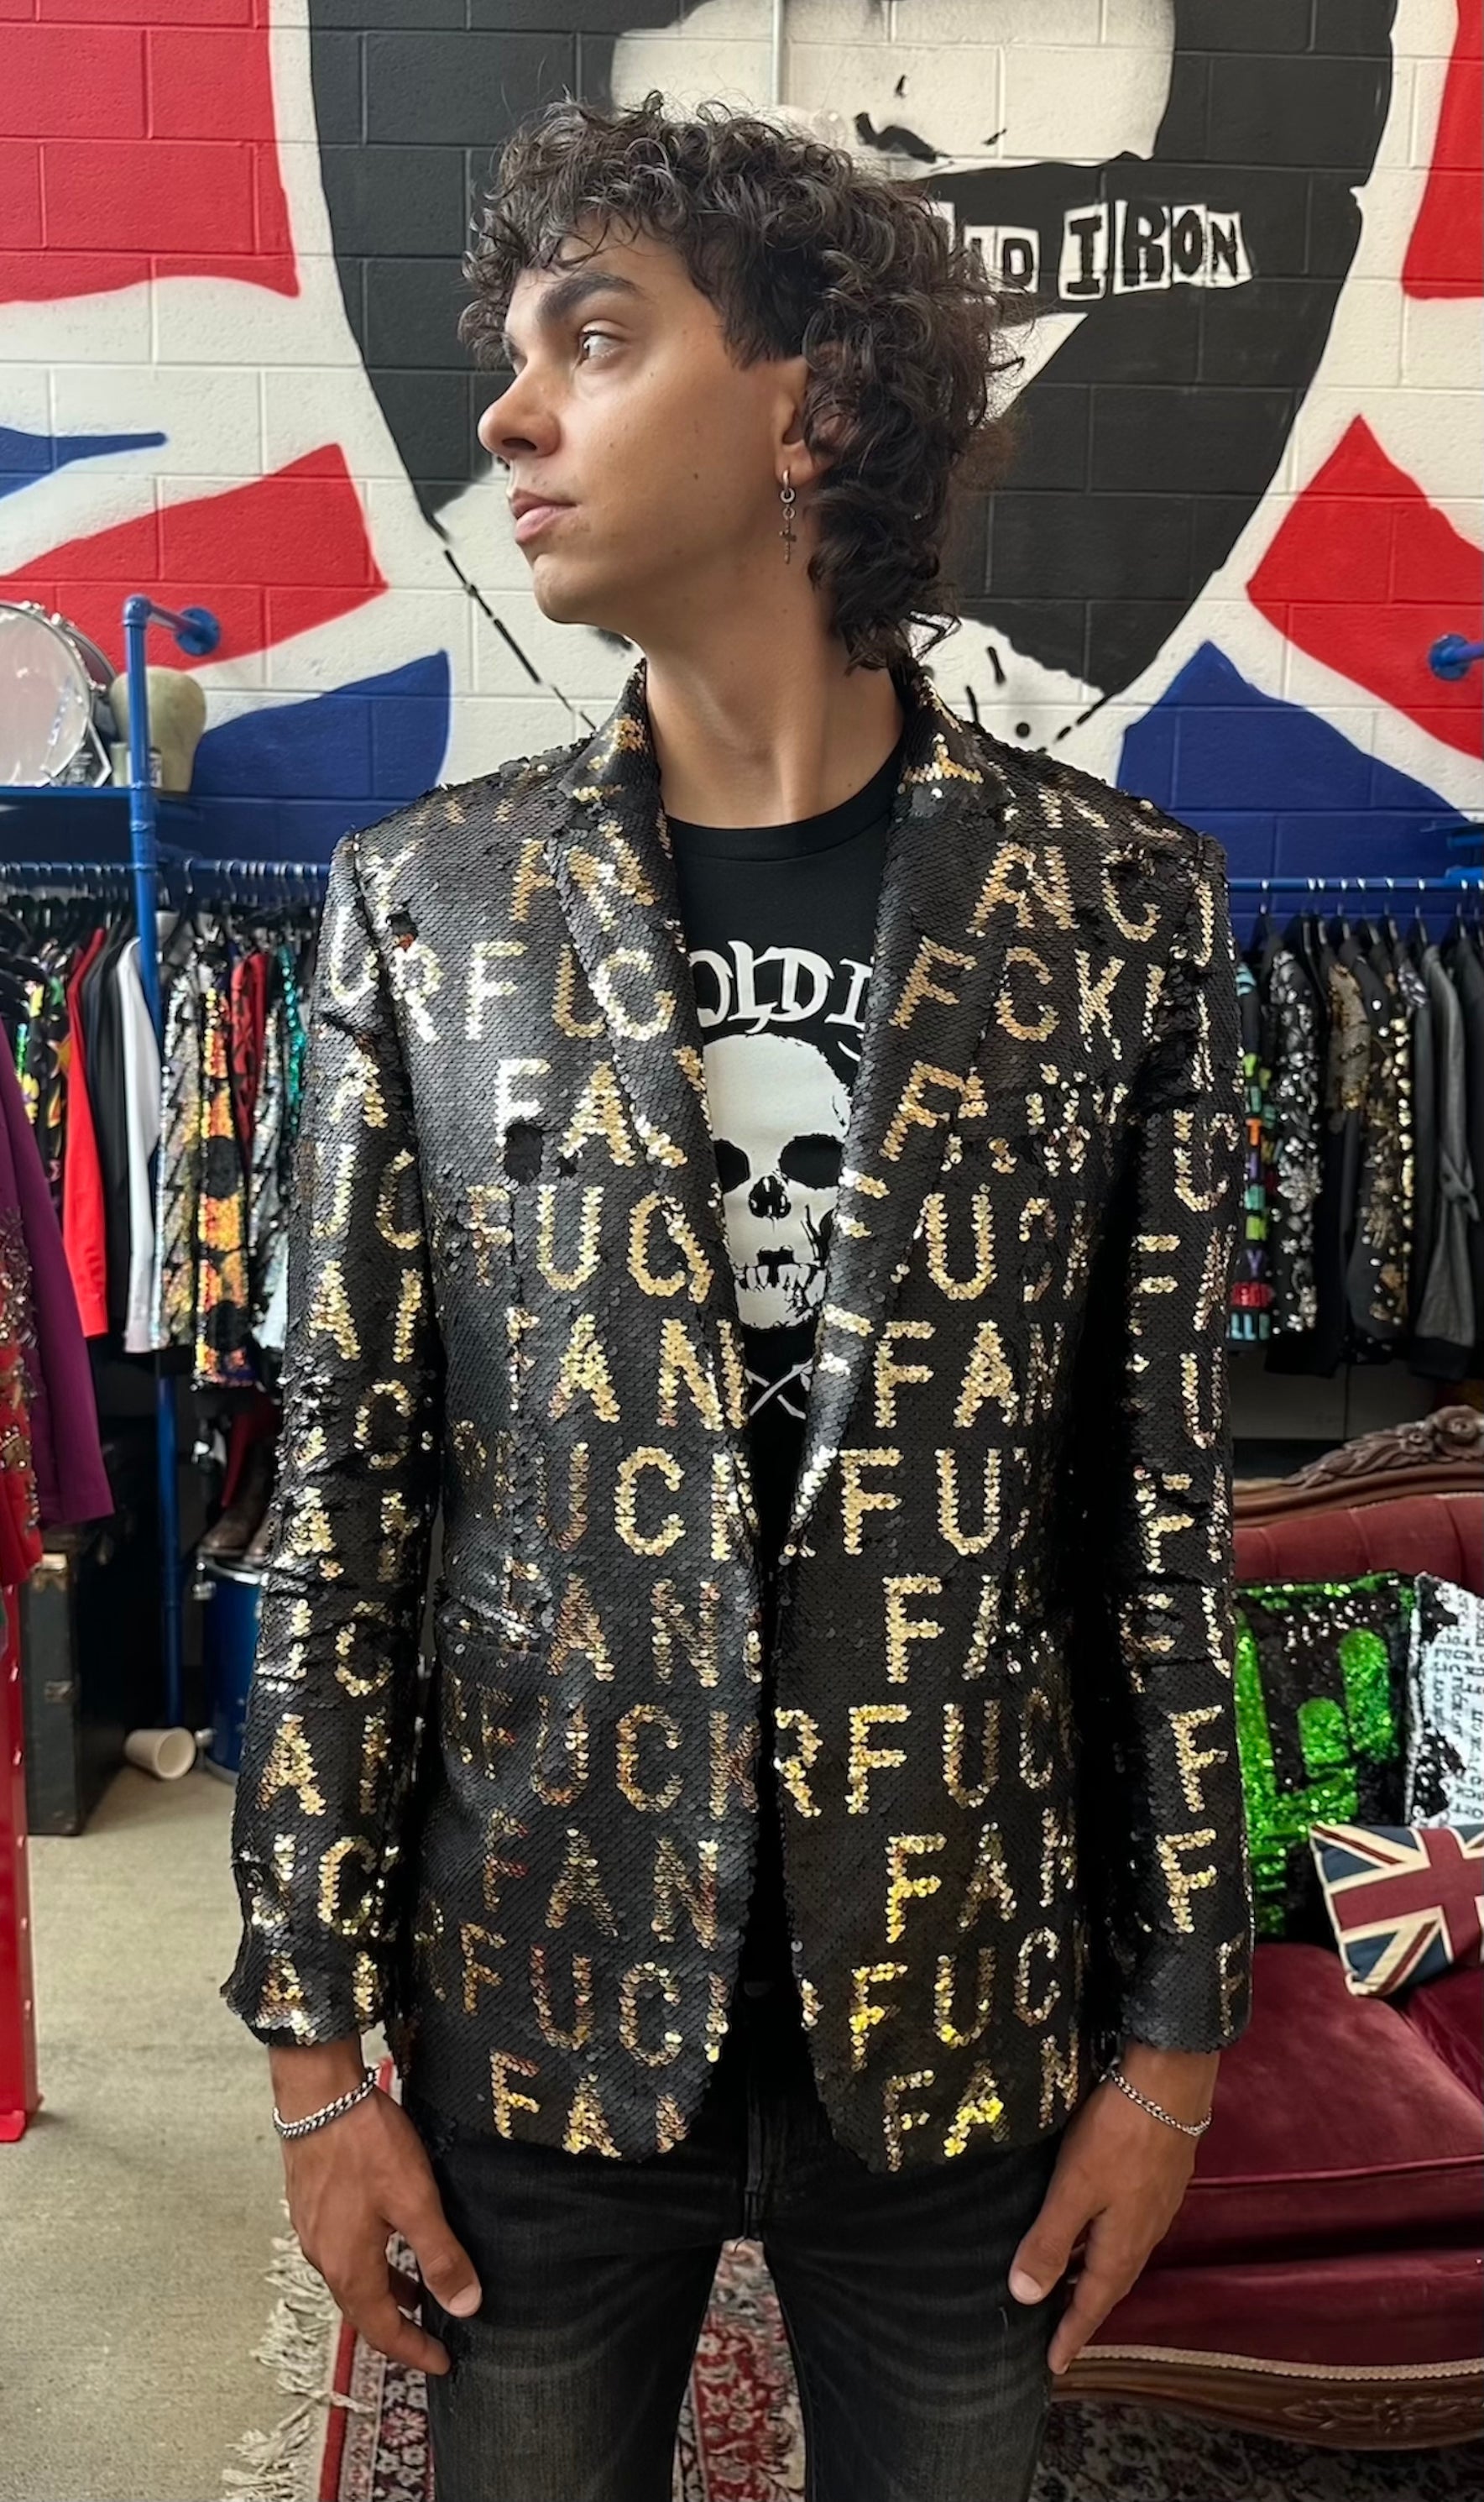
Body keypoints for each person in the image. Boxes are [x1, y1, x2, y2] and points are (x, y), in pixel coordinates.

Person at [222, 92, 1256, 2502]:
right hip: (540, 1993)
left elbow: (1157, 1524)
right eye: (512, 353)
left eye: (593, 339)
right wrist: (311, 2047)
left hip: (961, 2013)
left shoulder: (1116, 910)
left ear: (814, 399)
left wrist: (1178, 2038)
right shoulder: (425, 914)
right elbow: (344, 1506)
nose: (510, 415)